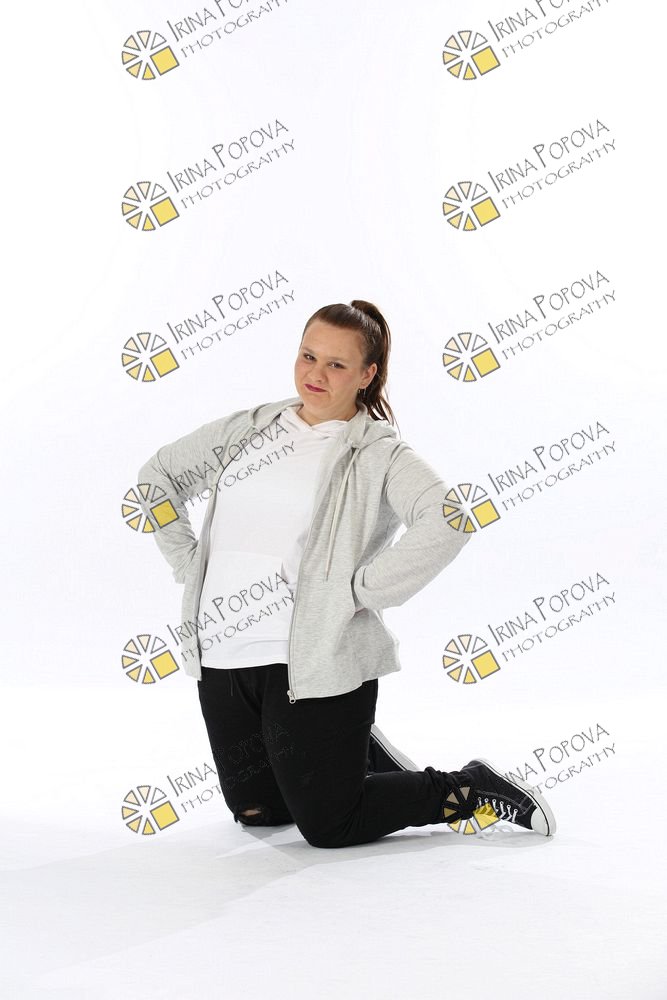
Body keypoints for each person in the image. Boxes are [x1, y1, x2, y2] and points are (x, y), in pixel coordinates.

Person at [136, 300, 556, 848]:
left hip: (310, 662)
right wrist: (190, 566)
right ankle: (353, 750)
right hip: (222, 655)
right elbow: (158, 478)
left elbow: (449, 517)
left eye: (337, 364)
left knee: (330, 826)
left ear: (366, 374)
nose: (316, 374)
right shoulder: (247, 430)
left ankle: (468, 788)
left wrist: (359, 591)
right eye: (308, 356)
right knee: (261, 812)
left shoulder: (376, 453)